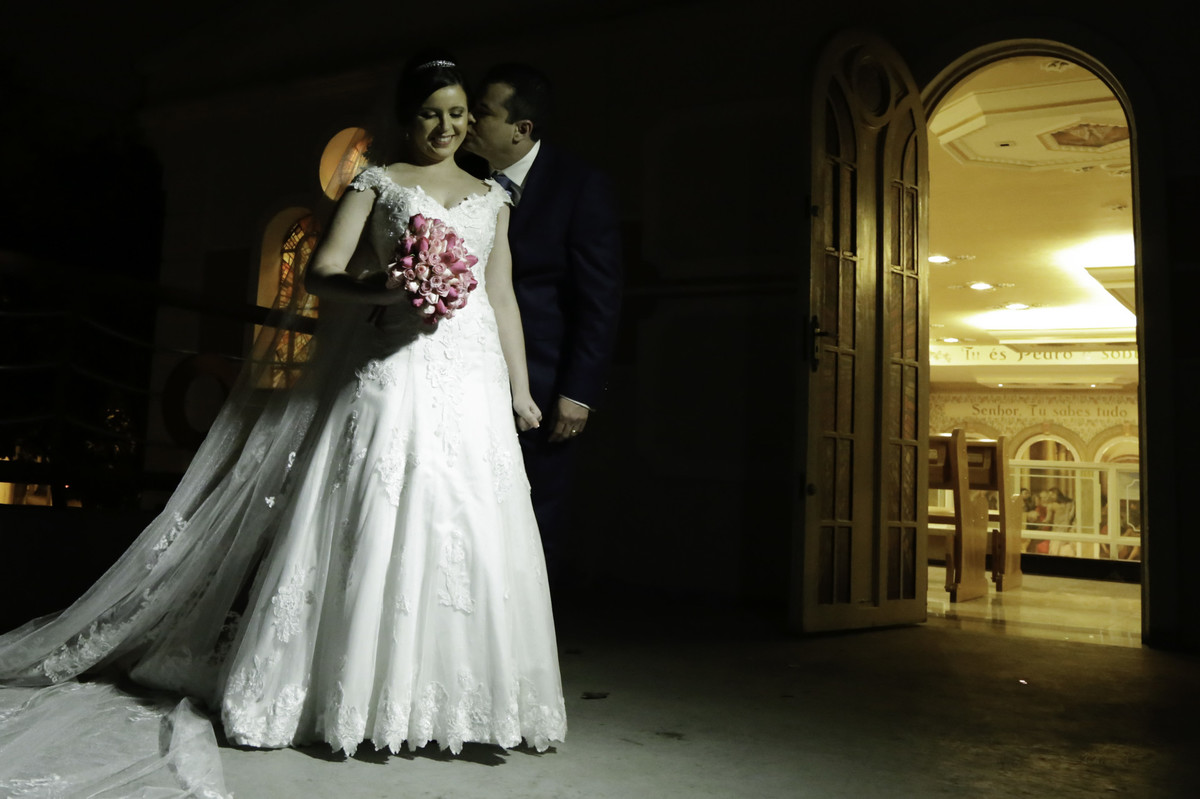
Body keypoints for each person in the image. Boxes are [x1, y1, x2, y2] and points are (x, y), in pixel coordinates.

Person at [0, 52, 566, 792]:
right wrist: (385, 287)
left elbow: (502, 295)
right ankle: (348, 692)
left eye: (458, 114)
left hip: (473, 374)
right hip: (392, 368)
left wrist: (521, 388)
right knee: (375, 510)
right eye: (432, 114)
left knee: (469, 522)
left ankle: (457, 700)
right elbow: (321, 272)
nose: (446, 127)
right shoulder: (378, 183)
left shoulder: (493, 198)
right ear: (407, 118)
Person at [461, 63, 622, 590]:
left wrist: (579, 393)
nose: (467, 122)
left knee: (535, 515)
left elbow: (600, 299)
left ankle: (527, 631)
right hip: (464, 370)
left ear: (521, 128)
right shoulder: (459, 174)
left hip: (544, 384)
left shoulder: (580, 186)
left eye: (482, 113)